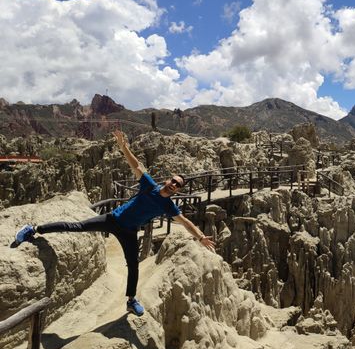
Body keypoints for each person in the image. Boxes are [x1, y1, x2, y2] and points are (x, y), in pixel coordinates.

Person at [13, 130, 215, 316]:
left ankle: (131, 300)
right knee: (77, 226)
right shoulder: (150, 186)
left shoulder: (168, 206)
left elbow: (185, 221)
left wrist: (200, 237)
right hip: (112, 219)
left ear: (178, 190)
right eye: (173, 181)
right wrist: (123, 146)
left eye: (177, 185)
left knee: (133, 265)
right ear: (168, 181)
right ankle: (33, 229)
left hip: (129, 231)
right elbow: (136, 165)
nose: (173, 185)